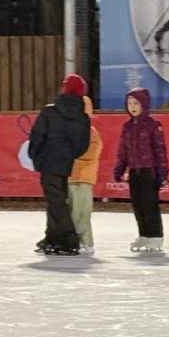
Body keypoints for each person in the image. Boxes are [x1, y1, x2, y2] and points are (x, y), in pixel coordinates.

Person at [28, 74, 91, 256]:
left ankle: (68, 239)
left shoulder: (50, 112)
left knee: (56, 202)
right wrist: (69, 155)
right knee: (56, 199)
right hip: (65, 164)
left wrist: (35, 154)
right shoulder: (82, 118)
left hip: (47, 161)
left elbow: (37, 135)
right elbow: (82, 146)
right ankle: (52, 237)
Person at [112, 88, 169, 254]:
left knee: (150, 205)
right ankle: (144, 234)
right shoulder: (127, 127)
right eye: (129, 103)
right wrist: (119, 168)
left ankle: (155, 235)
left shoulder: (153, 125)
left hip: (148, 172)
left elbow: (160, 151)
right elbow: (123, 151)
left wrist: (162, 173)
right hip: (134, 172)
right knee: (138, 205)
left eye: (136, 103)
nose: (132, 107)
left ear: (144, 104)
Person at [67, 96, 104, 256]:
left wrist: (70, 157)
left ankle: (86, 241)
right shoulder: (66, 130)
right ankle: (71, 240)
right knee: (70, 212)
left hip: (83, 178)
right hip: (69, 177)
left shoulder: (91, 133)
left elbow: (90, 153)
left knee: (82, 212)